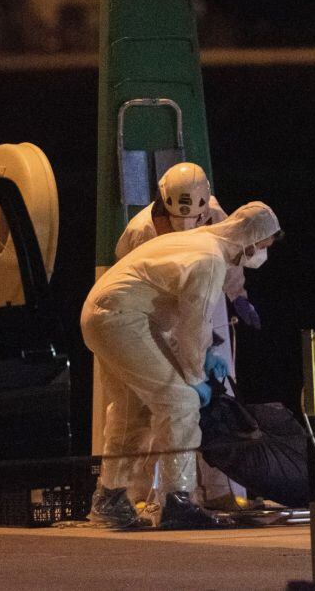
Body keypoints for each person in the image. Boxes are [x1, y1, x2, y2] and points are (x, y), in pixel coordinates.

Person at [83, 202, 281, 529]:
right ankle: (178, 503)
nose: (261, 254)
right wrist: (196, 375)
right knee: (181, 401)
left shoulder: (199, 241)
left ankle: (110, 499)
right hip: (121, 319)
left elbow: (176, 316)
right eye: (262, 246)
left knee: (133, 410)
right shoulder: (210, 260)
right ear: (250, 240)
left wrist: (205, 355)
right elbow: (194, 325)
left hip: (102, 315)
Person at [114, 162, 258, 510]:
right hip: (155, 316)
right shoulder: (141, 230)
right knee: (155, 406)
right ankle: (141, 494)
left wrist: (237, 294)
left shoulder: (214, 215)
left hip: (201, 305)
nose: (187, 225)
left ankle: (219, 490)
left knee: (214, 405)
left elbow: (231, 255)